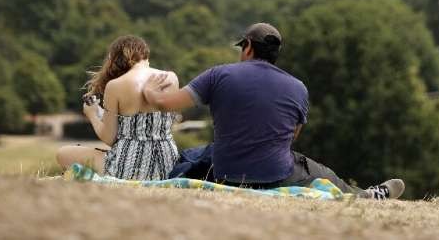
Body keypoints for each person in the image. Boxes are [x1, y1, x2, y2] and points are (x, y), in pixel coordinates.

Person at [142, 22, 405, 200]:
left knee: (194, 155)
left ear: (247, 46)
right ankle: (366, 197)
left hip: (225, 173)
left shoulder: (217, 75)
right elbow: (290, 137)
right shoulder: (298, 88)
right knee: (321, 172)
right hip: (276, 174)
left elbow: (166, 104)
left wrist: (151, 92)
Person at [56, 35, 180, 180]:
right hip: (168, 165)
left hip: (128, 167)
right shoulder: (171, 78)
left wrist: (92, 115)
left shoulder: (115, 85)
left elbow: (109, 138)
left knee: (63, 153)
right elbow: (153, 125)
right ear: (145, 55)